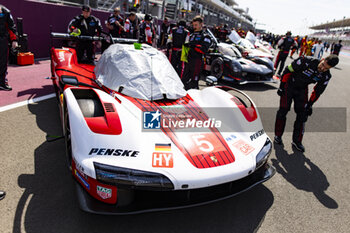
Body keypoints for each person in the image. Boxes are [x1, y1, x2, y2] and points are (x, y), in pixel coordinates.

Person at [274, 55, 339, 152]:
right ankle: (278, 135)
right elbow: (288, 70)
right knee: (283, 110)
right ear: (322, 59)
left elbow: (318, 91)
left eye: (326, 68)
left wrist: (310, 104)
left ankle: (297, 141)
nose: (322, 68)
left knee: (303, 114)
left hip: (302, 89)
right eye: (322, 65)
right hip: (289, 85)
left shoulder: (326, 76)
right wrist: (282, 86)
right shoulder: (306, 60)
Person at [181, 16, 211, 90]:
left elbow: (204, 49)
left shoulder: (206, 36)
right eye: (193, 25)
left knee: (194, 83)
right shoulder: (191, 35)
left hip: (197, 61)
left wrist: (193, 46)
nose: (194, 27)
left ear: (201, 24)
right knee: (184, 81)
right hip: (188, 61)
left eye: (196, 25)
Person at [0, 4, 17, 91]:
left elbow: (11, 26)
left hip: (2, 40)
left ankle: (2, 83)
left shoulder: (5, 11)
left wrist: (14, 40)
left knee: (2, 62)